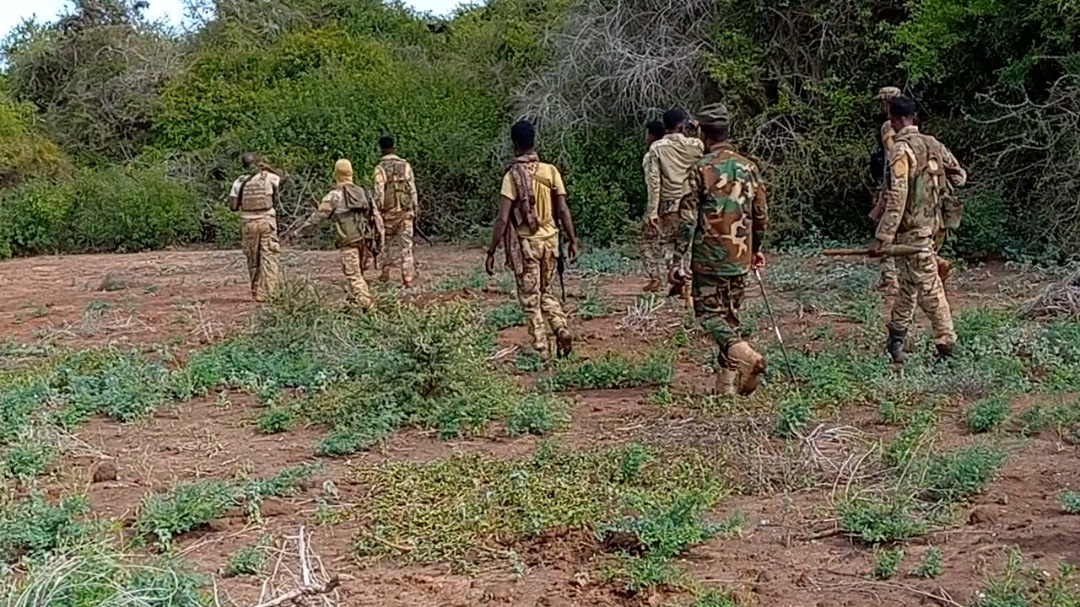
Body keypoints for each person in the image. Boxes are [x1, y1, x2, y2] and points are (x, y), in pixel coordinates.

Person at [672, 103, 768, 396]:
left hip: (709, 257)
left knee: (709, 316)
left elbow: (687, 219)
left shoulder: (700, 169)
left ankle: (746, 356)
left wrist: (679, 259)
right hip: (740, 256)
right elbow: (760, 213)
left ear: (702, 132)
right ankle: (725, 386)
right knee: (730, 317)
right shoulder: (748, 167)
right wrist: (756, 248)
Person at [869, 95, 967, 363]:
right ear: (914, 117)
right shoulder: (932, 144)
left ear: (893, 119)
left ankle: (947, 346)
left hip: (913, 232)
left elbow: (898, 196)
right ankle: (895, 342)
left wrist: (882, 237)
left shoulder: (901, 150)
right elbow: (960, 175)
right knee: (909, 285)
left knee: (931, 289)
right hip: (934, 228)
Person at [485, 120, 578, 360]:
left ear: (515, 145)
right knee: (547, 291)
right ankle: (560, 327)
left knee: (530, 299)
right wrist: (572, 239)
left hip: (527, 246)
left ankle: (541, 349)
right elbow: (563, 210)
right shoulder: (550, 171)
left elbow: (503, 219)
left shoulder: (511, 176)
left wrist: (492, 250)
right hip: (551, 242)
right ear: (533, 142)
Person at [293, 159, 385, 310]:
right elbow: (378, 219)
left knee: (354, 277)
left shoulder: (335, 196)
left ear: (336, 174)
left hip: (349, 242)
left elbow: (317, 217)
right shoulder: (364, 193)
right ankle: (353, 306)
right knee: (359, 274)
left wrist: (300, 232)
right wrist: (379, 243)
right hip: (366, 241)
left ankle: (369, 307)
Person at [644, 108, 705, 298]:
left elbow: (655, 183)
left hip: (669, 204)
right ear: (683, 124)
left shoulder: (657, 148)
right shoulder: (696, 144)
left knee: (667, 244)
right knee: (686, 243)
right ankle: (686, 280)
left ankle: (680, 277)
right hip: (692, 202)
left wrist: (652, 211)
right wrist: (698, 129)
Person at [228, 153, 282, 302]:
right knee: (269, 256)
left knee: (253, 258)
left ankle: (257, 292)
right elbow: (282, 181)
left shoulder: (239, 181)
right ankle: (271, 292)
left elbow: (232, 206)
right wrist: (270, 168)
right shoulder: (270, 178)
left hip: (248, 222)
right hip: (267, 221)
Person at [373, 136, 419, 288]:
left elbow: (379, 192)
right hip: (405, 212)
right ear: (394, 147)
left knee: (385, 244)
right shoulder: (405, 165)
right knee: (406, 246)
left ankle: (385, 273)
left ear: (381, 149)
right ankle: (408, 278)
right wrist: (415, 207)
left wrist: (377, 210)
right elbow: (412, 189)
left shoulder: (380, 168)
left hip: (388, 214)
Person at [869, 86, 902, 294]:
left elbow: (892, 154)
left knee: (884, 232)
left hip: (892, 185)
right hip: (908, 186)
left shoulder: (888, 127)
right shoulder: (909, 124)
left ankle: (889, 280)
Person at [641, 120, 668, 293]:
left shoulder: (653, 153)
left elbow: (653, 184)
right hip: (682, 203)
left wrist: (652, 211)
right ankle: (680, 279)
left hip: (660, 203)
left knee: (648, 242)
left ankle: (656, 277)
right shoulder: (677, 150)